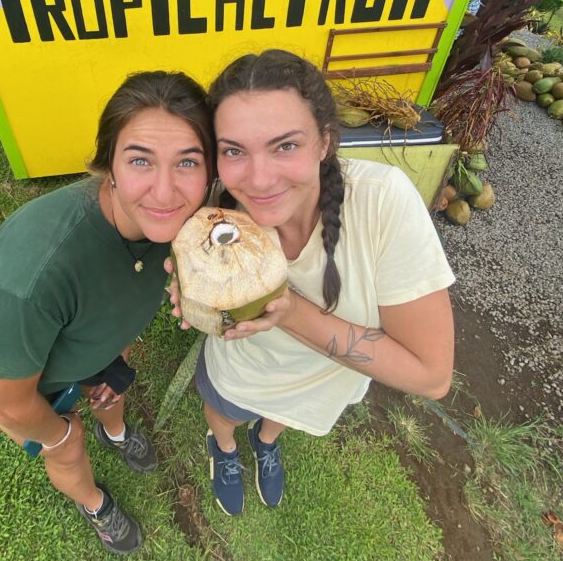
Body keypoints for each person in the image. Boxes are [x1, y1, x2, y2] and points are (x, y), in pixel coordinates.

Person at [0, 70, 213, 555]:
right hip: (16, 383)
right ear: (107, 161)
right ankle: (96, 505)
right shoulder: (35, 271)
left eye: (188, 162)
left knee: (113, 391)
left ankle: (117, 433)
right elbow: (10, 403)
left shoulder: (181, 223)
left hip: (89, 345)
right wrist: (58, 431)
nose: (164, 191)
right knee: (67, 452)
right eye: (140, 160)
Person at [183, 49, 455, 516]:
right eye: (234, 151)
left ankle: (266, 441)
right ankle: (225, 449)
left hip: (321, 381)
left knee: (277, 420)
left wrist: (286, 309)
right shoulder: (217, 214)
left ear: (325, 142)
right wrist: (192, 285)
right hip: (241, 373)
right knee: (224, 412)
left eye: (285, 145)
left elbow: (431, 376)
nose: (259, 179)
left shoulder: (381, 204)